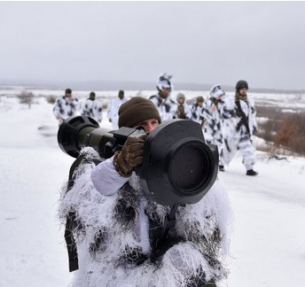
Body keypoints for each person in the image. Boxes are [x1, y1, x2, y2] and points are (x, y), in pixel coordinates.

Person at [59, 97, 231, 287]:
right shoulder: (102, 166)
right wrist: (120, 167)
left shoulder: (167, 165)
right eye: (141, 125)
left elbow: (198, 219)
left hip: (161, 269)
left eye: (154, 122)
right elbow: (88, 206)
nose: (150, 130)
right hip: (115, 274)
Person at [222, 80, 258, 176]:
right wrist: (233, 113)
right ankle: (220, 163)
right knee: (228, 149)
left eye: (245, 89)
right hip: (232, 130)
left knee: (248, 149)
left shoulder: (249, 101)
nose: (243, 90)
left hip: (244, 131)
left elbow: (252, 115)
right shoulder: (230, 100)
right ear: (238, 89)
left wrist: (253, 126)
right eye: (241, 89)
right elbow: (224, 113)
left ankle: (249, 168)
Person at [201, 85, 234, 172]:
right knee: (208, 144)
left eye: (220, 95)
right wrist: (210, 110)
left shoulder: (222, 104)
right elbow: (203, 114)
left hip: (219, 128)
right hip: (209, 128)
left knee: (219, 146)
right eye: (218, 95)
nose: (219, 97)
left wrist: (230, 111)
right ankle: (206, 162)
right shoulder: (208, 102)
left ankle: (219, 163)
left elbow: (226, 115)